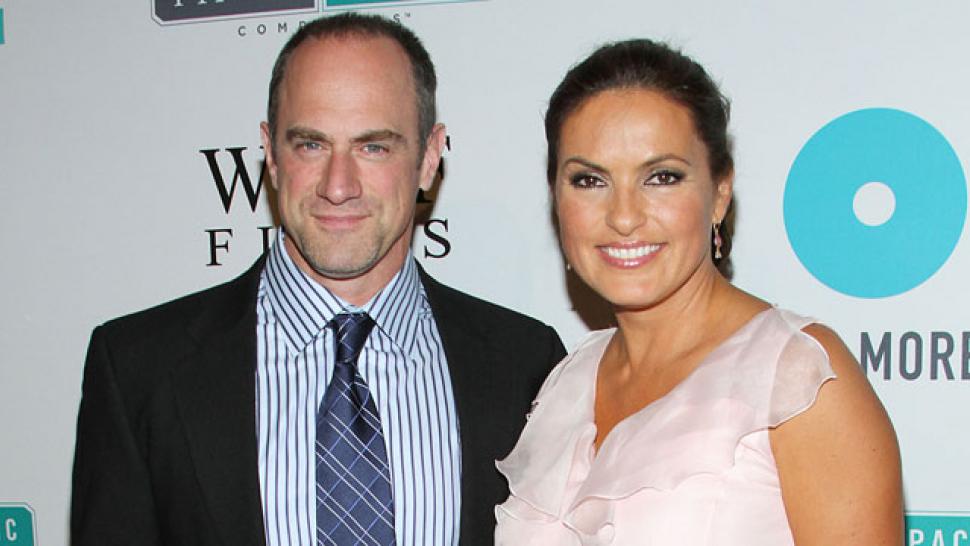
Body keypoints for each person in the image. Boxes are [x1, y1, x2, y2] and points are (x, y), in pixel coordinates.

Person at [71, 13, 565, 546]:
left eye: (373, 147)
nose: (338, 185)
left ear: (428, 157)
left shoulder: (525, 365)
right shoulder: (140, 369)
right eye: (310, 145)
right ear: (271, 154)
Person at [495, 39, 903, 545]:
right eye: (590, 180)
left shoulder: (798, 379)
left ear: (720, 194)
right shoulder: (566, 382)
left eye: (661, 177)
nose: (624, 216)